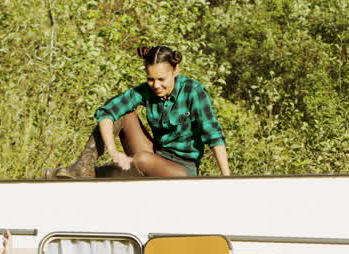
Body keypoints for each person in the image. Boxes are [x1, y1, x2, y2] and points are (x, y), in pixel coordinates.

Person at [53, 45, 230, 178]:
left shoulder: (193, 91)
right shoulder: (145, 90)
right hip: (156, 153)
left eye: (162, 79)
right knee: (123, 112)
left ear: (175, 71)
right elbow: (106, 113)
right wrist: (113, 150)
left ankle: (96, 174)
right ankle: (83, 166)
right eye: (151, 79)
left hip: (182, 168)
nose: (156, 86)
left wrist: (226, 177)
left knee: (142, 159)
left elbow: (213, 134)